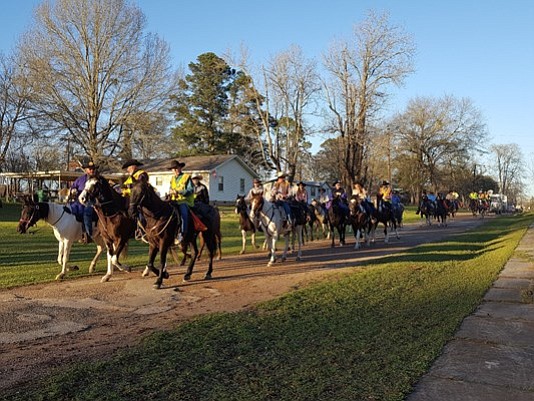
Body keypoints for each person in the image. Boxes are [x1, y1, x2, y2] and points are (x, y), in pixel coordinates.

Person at [69, 160, 98, 244]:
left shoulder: (97, 180)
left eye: (92, 169)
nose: (91, 170)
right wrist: (73, 191)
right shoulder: (80, 180)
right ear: (86, 170)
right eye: (89, 169)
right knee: (68, 210)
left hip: (92, 202)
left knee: (86, 213)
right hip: (78, 202)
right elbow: (73, 187)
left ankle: (88, 235)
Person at [168, 160, 194, 244]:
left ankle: (182, 234)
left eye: (176, 168)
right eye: (173, 169)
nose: (175, 170)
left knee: (183, 215)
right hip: (174, 201)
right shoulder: (172, 179)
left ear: (180, 168)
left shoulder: (186, 177)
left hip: (185, 201)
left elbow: (190, 190)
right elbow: (171, 189)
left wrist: (179, 192)